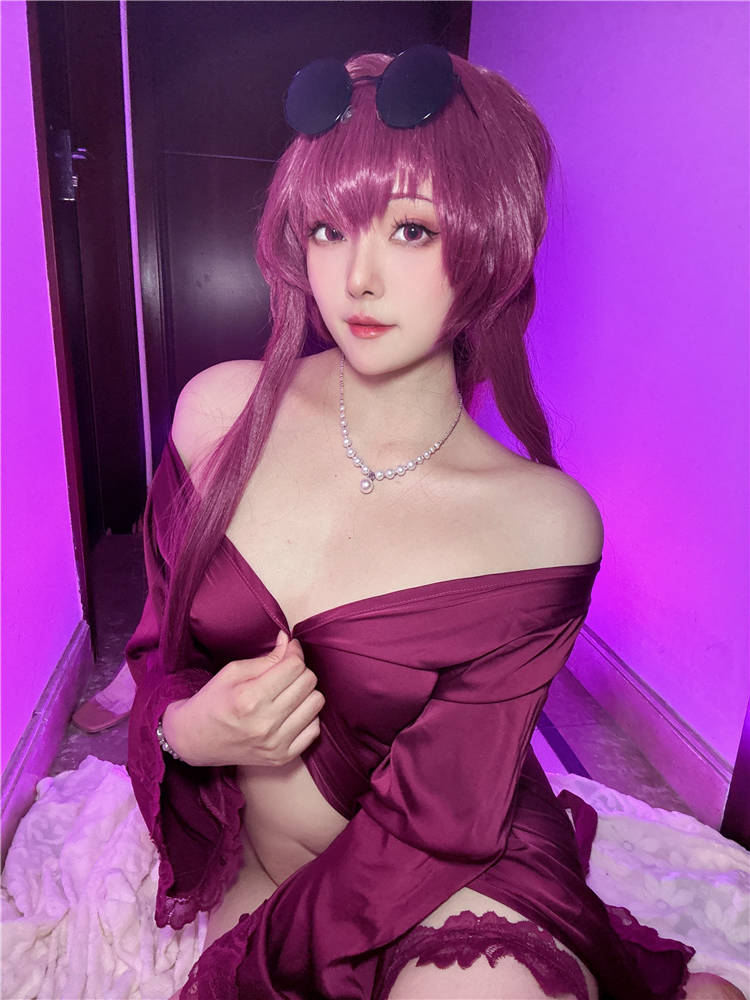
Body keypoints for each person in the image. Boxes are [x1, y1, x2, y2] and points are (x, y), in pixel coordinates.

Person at [125, 46, 742, 1000]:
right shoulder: (219, 415)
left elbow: (436, 826)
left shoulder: (543, 524)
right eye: (328, 228)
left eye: (411, 230)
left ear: (490, 244)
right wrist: (186, 732)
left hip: (449, 875)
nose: (358, 277)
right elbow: (159, 652)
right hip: (260, 861)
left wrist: (245, 972)